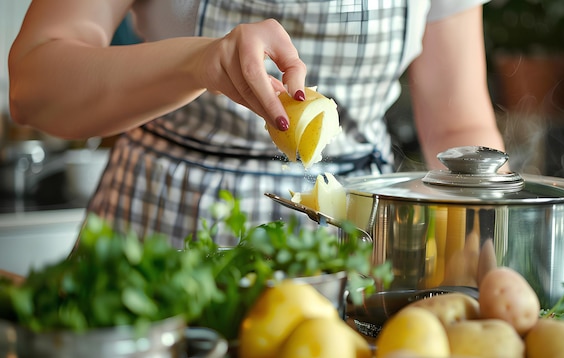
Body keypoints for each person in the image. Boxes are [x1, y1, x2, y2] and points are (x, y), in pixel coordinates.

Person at [8, 0, 506, 247]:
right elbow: (34, 86)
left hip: (353, 249)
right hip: (158, 237)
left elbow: (456, 121)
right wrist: (197, 64)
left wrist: (491, 250)